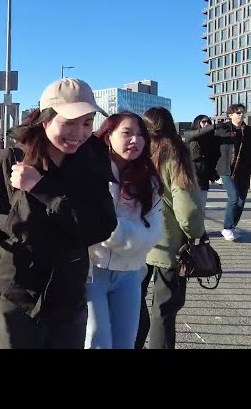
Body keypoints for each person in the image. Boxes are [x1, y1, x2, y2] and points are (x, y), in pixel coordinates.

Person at [0, 77, 117, 349]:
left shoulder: (91, 162)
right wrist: (9, 224)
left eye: (87, 123)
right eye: (68, 123)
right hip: (16, 291)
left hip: (67, 294)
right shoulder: (10, 161)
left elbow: (101, 225)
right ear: (45, 121)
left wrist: (41, 188)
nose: (78, 133)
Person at [85, 112, 164, 349]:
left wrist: (113, 231)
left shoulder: (148, 180)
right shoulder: (91, 172)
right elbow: (90, 222)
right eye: (127, 133)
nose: (135, 140)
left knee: (125, 343)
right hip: (91, 271)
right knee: (97, 341)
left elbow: (155, 232)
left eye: (141, 135)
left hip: (130, 273)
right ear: (108, 136)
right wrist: (128, 234)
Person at [135, 107, 205, 350]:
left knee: (133, 302)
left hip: (137, 241)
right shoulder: (175, 154)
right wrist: (196, 234)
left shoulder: (137, 153)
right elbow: (187, 207)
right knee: (163, 310)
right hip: (170, 245)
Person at [214, 104, 251, 241]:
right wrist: (212, 172)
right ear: (230, 115)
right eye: (237, 113)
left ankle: (232, 226)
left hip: (244, 170)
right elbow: (212, 151)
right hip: (227, 170)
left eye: (242, 113)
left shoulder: (250, 132)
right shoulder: (222, 130)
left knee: (241, 200)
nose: (241, 115)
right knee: (234, 197)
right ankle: (226, 228)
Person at [183, 114, 220, 211]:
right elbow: (195, 134)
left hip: (204, 176)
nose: (207, 124)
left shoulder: (212, 139)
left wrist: (214, 173)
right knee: (189, 208)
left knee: (201, 207)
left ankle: (199, 225)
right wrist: (213, 127)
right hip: (190, 175)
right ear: (197, 123)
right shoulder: (191, 135)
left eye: (208, 122)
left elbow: (214, 157)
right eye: (204, 122)